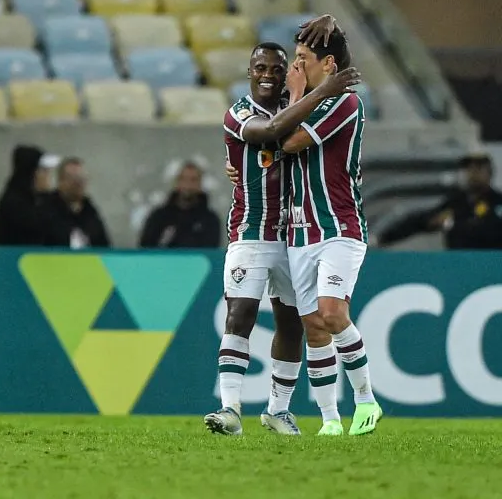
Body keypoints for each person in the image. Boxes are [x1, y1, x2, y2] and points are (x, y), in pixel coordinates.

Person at [205, 22, 363, 437]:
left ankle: (278, 410)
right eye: (262, 68)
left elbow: (296, 137)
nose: (270, 75)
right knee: (239, 313)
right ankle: (230, 409)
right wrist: (324, 89)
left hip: (294, 236)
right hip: (251, 232)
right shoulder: (239, 113)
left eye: (279, 69)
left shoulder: (296, 111)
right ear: (249, 72)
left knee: (293, 323)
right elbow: (272, 135)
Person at [278, 26, 382, 436]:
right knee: (314, 328)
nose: (296, 64)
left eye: (304, 56)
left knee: (332, 312)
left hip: (340, 226)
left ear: (330, 65)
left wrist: (296, 95)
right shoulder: (304, 103)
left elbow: (288, 142)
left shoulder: (345, 103)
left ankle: (367, 401)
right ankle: (330, 422)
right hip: (300, 233)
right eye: (295, 56)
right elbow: (269, 142)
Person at [377, 152, 502, 249]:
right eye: (469, 169)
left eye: (479, 169)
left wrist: (454, 224)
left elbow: (490, 230)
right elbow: (422, 220)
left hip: (491, 262)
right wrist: (385, 238)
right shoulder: (457, 202)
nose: (473, 174)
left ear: (489, 172)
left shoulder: (497, 202)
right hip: (458, 263)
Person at [138, 159, 221, 248]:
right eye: (183, 179)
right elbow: (145, 248)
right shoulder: (159, 217)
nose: (187, 184)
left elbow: (210, 251)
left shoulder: (210, 220)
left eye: (193, 180)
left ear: (200, 184)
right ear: (176, 182)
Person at [0, 145, 55, 246]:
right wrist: (47, 196)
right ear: (32, 173)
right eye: (44, 171)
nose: (48, 176)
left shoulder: (34, 200)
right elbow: (40, 228)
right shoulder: (14, 203)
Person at [42, 157, 111, 248]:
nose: (78, 183)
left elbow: (103, 244)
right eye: (72, 178)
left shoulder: (90, 211)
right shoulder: (46, 209)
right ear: (60, 181)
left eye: (81, 178)